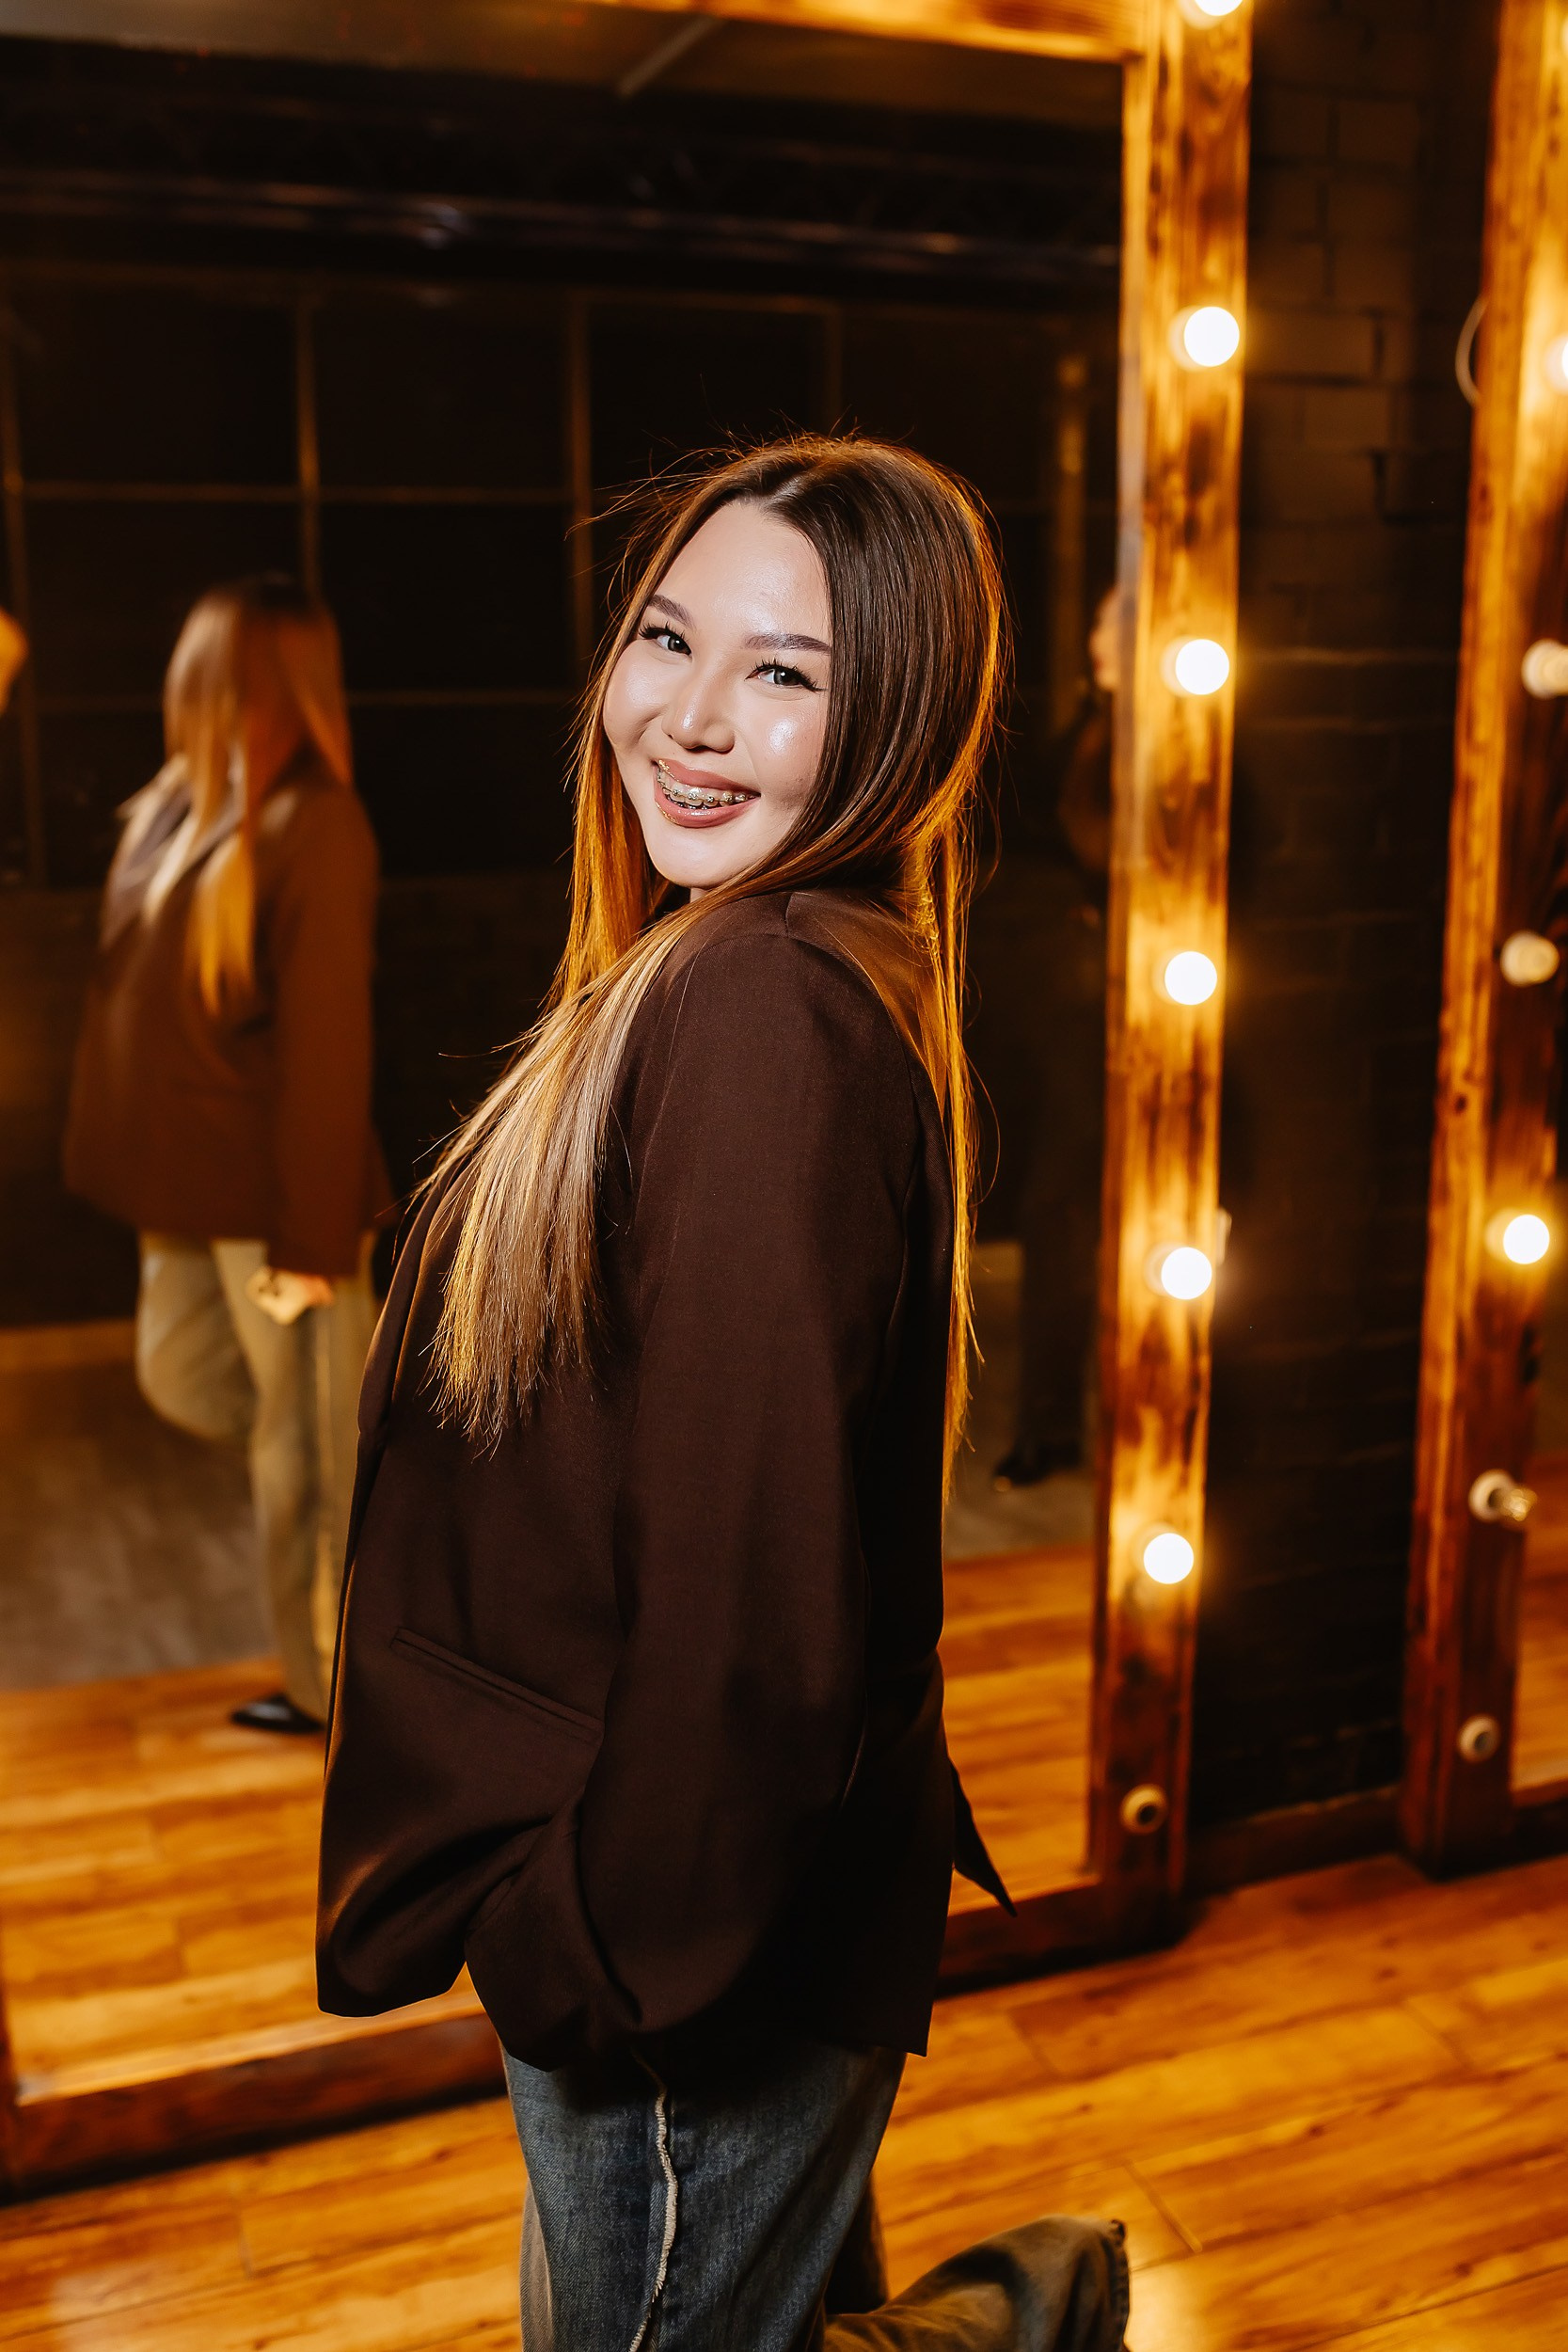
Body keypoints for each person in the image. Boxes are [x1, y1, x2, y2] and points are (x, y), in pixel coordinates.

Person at [317, 440, 1128, 2350]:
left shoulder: (762, 1003)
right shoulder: (719, 960)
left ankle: (1021, 2311)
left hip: (676, 1944)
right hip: (685, 1904)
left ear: (893, 722)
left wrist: (603, 1956)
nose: (688, 716)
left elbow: (754, 1599)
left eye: (783, 673)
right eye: (668, 638)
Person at [64, 576, 390, 1734]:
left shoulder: (315, 825)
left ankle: (336, 1697)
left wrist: (311, 1242)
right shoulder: (176, 808)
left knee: (313, 1461)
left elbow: (327, 1050)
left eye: (200, 664)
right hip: (192, 1187)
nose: (179, 681)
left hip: (280, 1205)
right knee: (198, 1383)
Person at [992, 584, 1117, 1493]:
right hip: (1074, 991)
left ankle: (1061, 1422)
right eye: (1099, 614)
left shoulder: (1155, 735)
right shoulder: (1094, 725)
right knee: (1057, 1207)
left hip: (1130, 991)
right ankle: (1052, 1423)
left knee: (1069, 1204)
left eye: (1116, 618)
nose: (1098, 630)